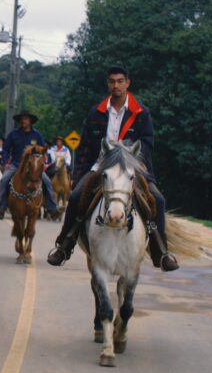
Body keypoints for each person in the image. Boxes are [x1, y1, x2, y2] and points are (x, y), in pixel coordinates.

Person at [46, 66, 179, 271]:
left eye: (119, 81)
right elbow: (86, 146)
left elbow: (147, 143)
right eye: (112, 81)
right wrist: (77, 176)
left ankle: (161, 252)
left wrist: (126, 154)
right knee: (74, 198)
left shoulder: (142, 113)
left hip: (131, 167)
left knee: (158, 200)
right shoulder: (96, 113)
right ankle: (64, 245)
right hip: (101, 167)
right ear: (108, 84)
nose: (115, 85)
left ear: (127, 83)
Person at [0, 110, 60, 220]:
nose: (24, 121)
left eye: (26, 119)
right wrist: (5, 162)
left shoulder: (37, 135)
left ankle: (52, 208)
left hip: (33, 166)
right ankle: (1, 207)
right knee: (3, 180)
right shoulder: (13, 134)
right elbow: (5, 149)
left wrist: (42, 158)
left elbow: (43, 150)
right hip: (16, 164)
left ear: (31, 121)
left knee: (47, 181)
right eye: (22, 119)